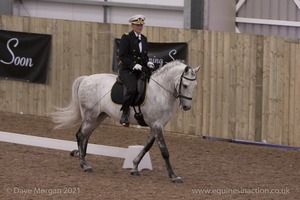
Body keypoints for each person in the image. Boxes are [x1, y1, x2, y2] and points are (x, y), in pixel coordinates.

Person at [118, 14, 154, 127]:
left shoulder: (144, 39)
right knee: (132, 89)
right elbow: (122, 56)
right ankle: (125, 113)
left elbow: (144, 56)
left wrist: (147, 62)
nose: (140, 27)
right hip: (127, 70)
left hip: (140, 69)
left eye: (141, 25)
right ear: (132, 26)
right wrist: (133, 65)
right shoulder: (126, 37)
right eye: (137, 25)